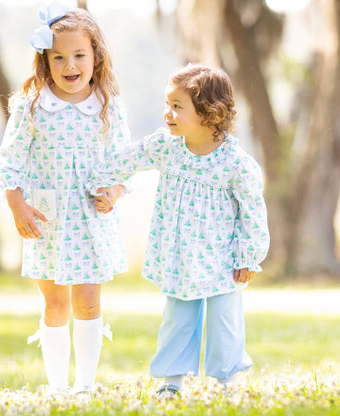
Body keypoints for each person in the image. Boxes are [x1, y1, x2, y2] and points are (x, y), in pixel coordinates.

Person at [90, 63, 270, 397]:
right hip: (179, 254)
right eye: (167, 104)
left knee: (224, 320)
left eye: (176, 107)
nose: (167, 114)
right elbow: (127, 160)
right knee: (178, 317)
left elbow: (253, 211)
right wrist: (104, 182)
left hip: (223, 257)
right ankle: (171, 381)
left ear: (209, 113)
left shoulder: (235, 163)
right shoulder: (167, 147)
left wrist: (249, 255)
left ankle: (226, 380)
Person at [0, 2, 129, 395]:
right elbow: (10, 160)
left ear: (95, 57)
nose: (70, 65)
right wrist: (16, 203)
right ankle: (57, 387)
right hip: (48, 220)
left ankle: (85, 386)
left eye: (79, 56)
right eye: (59, 57)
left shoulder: (108, 106)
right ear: (45, 61)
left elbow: (123, 161)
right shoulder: (33, 106)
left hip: (91, 219)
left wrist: (116, 191)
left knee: (87, 305)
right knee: (55, 305)